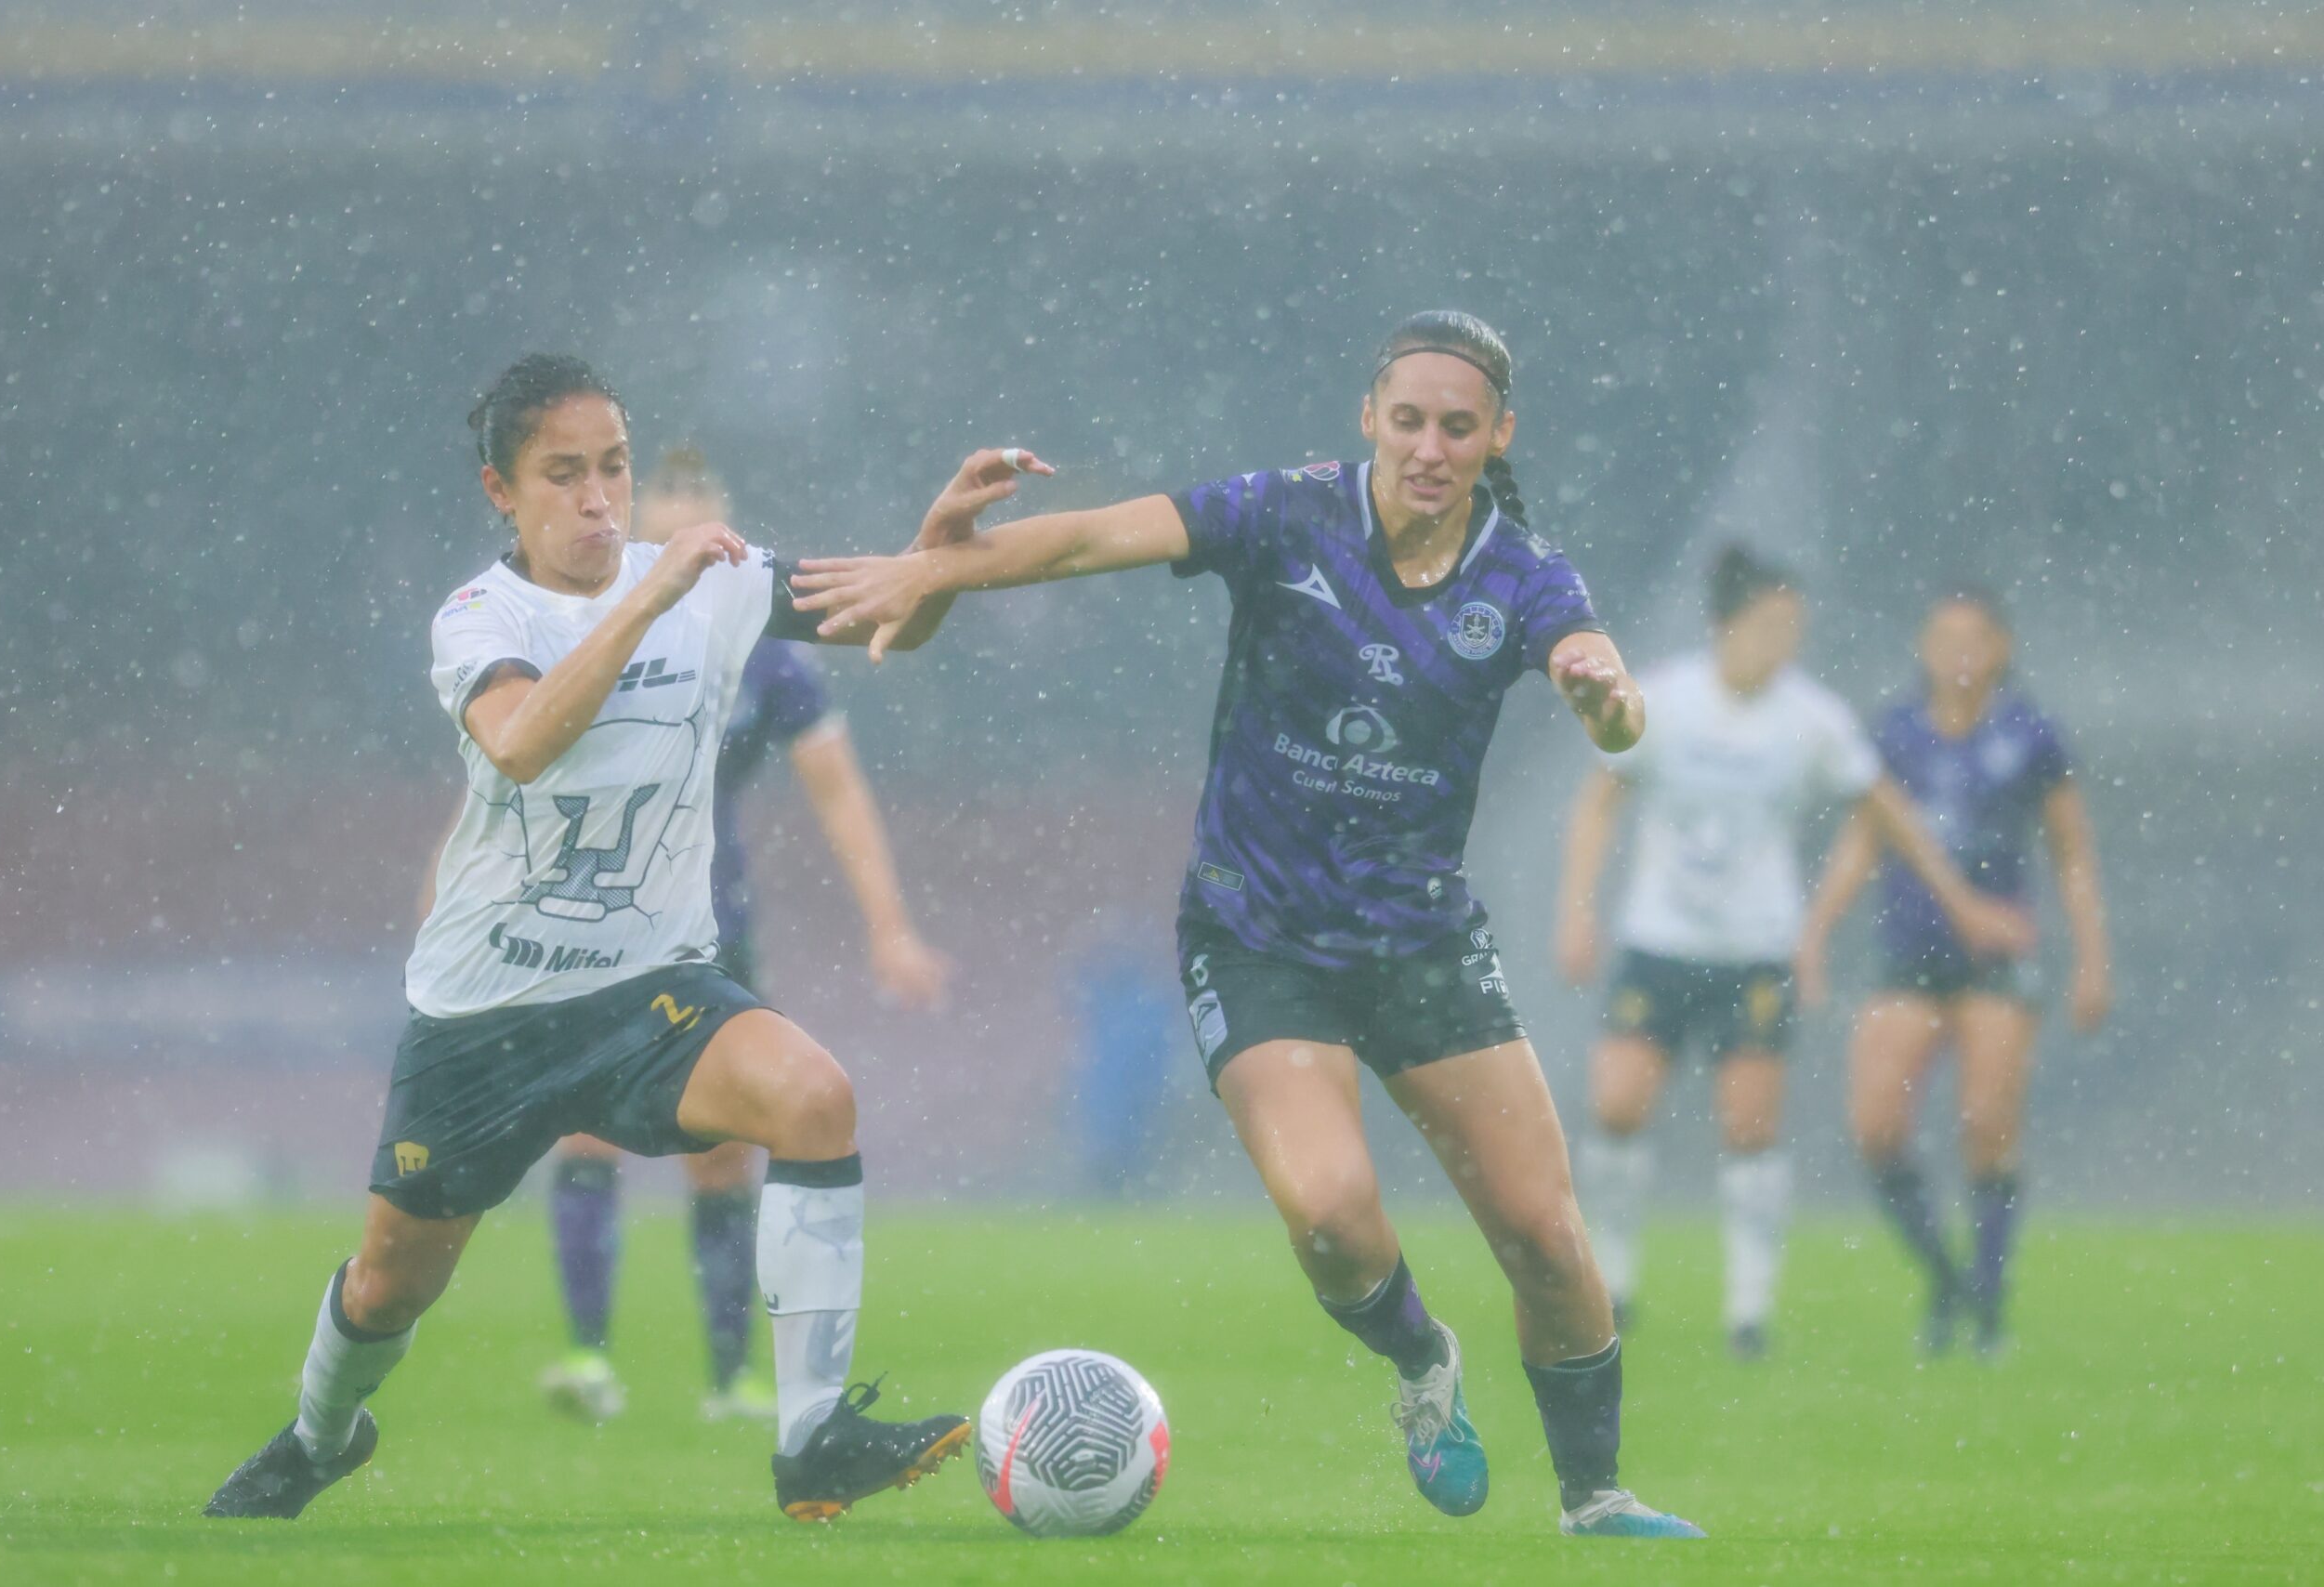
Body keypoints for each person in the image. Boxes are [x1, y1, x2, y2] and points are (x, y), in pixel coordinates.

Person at [795, 311, 1704, 1539]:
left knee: (1545, 1236)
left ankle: (1597, 1501)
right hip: (1258, 940)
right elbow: (1094, 538)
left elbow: (1609, 694)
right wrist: (935, 566)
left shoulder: (1526, 575)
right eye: (1408, 420)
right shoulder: (1287, 514)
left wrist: (1609, 703)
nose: (1429, 446)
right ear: (1369, 418)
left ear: (1498, 435)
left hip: (1422, 944)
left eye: (1457, 425)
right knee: (1331, 1217)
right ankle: (1423, 1361)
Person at [205, 354, 980, 1524]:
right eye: (561, 474)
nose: (597, 498)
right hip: (486, 1012)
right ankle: (317, 1438)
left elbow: (894, 623)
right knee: (388, 1283)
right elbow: (519, 742)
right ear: (499, 492)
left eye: (611, 466)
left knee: (816, 1099)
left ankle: (812, 1439)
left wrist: (934, 553)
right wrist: (648, 595)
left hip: (646, 993)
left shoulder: (708, 581)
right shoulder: (481, 615)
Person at [539, 448, 952, 1424]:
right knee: (586, 1124)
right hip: (597, 920)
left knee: (721, 1149)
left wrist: (889, 927)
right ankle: (586, 1358)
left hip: (711, 922)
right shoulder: (586, 625)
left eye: (710, 522)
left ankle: (731, 1378)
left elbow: (837, 788)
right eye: (673, 521)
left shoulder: (765, 653)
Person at [1554, 548, 2034, 1360]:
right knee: (1617, 1106)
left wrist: (1960, 904)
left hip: (1753, 952)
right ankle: (1617, 1283)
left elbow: (1888, 811)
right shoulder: (1663, 701)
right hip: (1660, 941)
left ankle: (1748, 1313)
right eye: (1771, 625)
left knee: (1749, 1127)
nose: (1785, 641)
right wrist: (1576, 909)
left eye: (1794, 628)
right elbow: (1602, 798)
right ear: (1725, 626)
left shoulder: (1810, 717)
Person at [1797, 585, 2111, 1355]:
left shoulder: (2030, 734)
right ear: (1924, 647)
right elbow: (1865, 839)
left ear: (2001, 647)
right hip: (1909, 950)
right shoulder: (1897, 732)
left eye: (1976, 638)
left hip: (1997, 957)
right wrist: (1815, 930)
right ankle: (1947, 1280)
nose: (1960, 653)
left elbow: (2071, 855)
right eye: (1945, 637)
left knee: (1987, 1126)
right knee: (1875, 1125)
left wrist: (2092, 959)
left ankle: (1990, 1307)